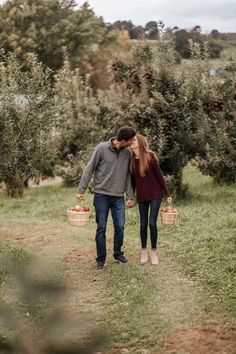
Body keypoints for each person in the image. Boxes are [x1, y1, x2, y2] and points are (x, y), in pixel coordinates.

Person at [76, 126, 136, 270]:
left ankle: (117, 253)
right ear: (124, 140)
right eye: (132, 140)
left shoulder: (127, 153)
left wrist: (130, 195)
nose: (133, 142)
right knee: (101, 227)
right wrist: (81, 190)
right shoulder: (101, 148)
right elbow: (89, 169)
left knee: (120, 226)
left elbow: (128, 175)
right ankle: (101, 259)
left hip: (118, 197)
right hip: (101, 195)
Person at [129, 134, 172, 265]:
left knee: (152, 223)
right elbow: (132, 181)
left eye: (134, 140)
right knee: (143, 224)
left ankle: (153, 252)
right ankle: (143, 251)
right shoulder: (131, 160)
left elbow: (159, 176)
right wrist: (130, 197)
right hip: (142, 195)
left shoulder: (150, 156)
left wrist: (167, 194)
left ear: (140, 142)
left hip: (155, 194)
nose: (131, 141)